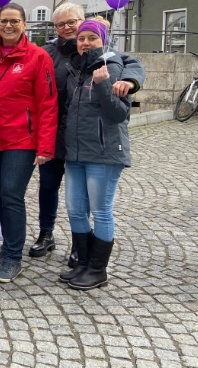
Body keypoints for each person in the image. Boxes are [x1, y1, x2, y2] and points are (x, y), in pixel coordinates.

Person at [31, 3, 145, 267]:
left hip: (87, 135)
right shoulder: (48, 52)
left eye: (72, 22)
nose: (67, 28)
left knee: (86, 200)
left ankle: (80, 251)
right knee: (49, 186)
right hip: (55, 131)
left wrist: (130, 81)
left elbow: (132, 63)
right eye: (61, 24)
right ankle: (47, 233)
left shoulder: (102, 53)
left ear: (83, 22)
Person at [0, 3, 58, 283]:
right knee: (0, 194)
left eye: (14, 21)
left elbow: (48, 103)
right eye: (4, 21)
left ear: (24, 24)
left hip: (23, 139)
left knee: (11, 194)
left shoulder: (38, 57)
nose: (8, 26)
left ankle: (12, 257)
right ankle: (9, 245)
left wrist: (45, 146)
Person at [59, 18, 130, 290]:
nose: (85, 43)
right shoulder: (76, 68)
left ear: (103, 40)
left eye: (92, 38)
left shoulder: (113, 66)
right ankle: (83, 263)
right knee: (75, 210)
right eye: (81, 38)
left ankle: (98, 269)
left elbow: (119, 113)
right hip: (76, 153)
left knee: (101, 211)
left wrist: (102, 84)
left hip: (103, 152)